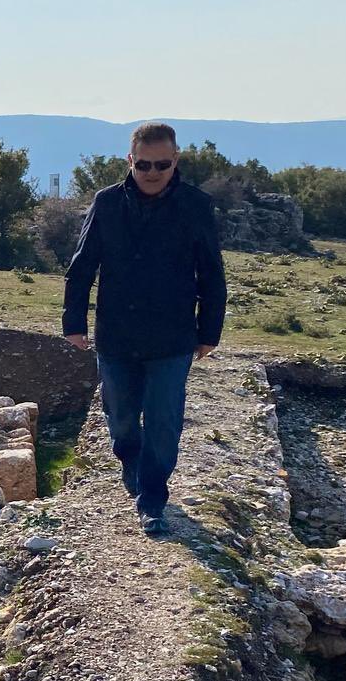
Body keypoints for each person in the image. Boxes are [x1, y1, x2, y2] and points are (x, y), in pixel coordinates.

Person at [62, 122, 226, 535]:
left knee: (165, 421)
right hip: (116, 334)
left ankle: (152, 498)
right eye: (145, 164)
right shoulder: (106, 203)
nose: (153, 172)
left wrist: (209, 332)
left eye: (163, 164)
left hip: (172, 337)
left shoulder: (195, 205)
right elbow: (82, 268)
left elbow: (211, 273)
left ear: (176, 161)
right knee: (119, 417)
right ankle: (129, 459)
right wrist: (74, 323)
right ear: (130, 160)